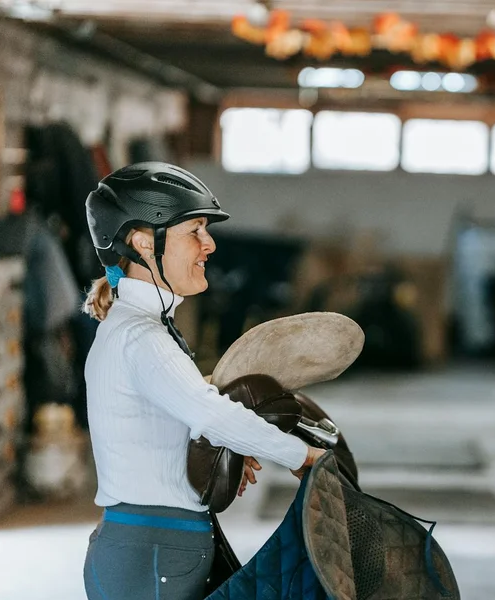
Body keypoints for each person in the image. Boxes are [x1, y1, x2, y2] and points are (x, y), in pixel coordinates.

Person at [80, 162, 325, 600]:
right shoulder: (141, 336)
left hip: (153, 547)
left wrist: (230, 452)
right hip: (153, 550)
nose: (208, 244)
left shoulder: (138, 328)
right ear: (141, 241)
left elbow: (172, 425)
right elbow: (211, 414)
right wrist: (302, 456)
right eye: (194, 230)